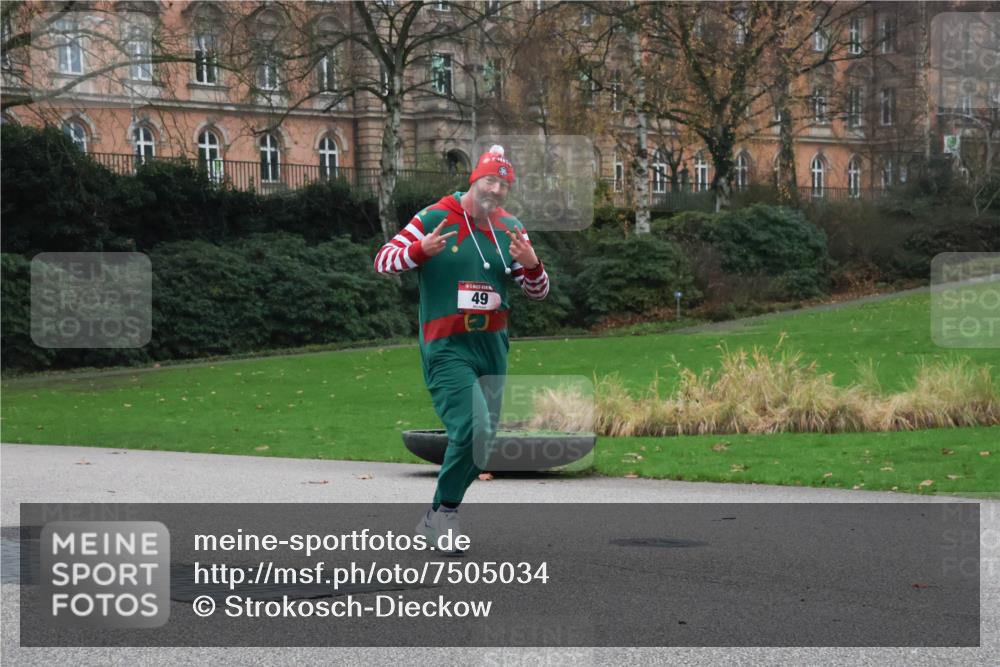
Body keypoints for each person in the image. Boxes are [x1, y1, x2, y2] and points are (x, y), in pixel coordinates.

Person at [373, 145, 549, 553]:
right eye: (491, 180)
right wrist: (419, 251)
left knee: (482, 443)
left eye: (505, 184)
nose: (497, 190)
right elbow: (383, 260)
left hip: (492, 347)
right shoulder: (435, 217)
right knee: (475, 429)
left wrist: (533, 264)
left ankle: (436, 517)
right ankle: (445, 514)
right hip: (448, 346)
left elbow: (538, 292)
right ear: (474, 180)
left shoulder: (511, 227)